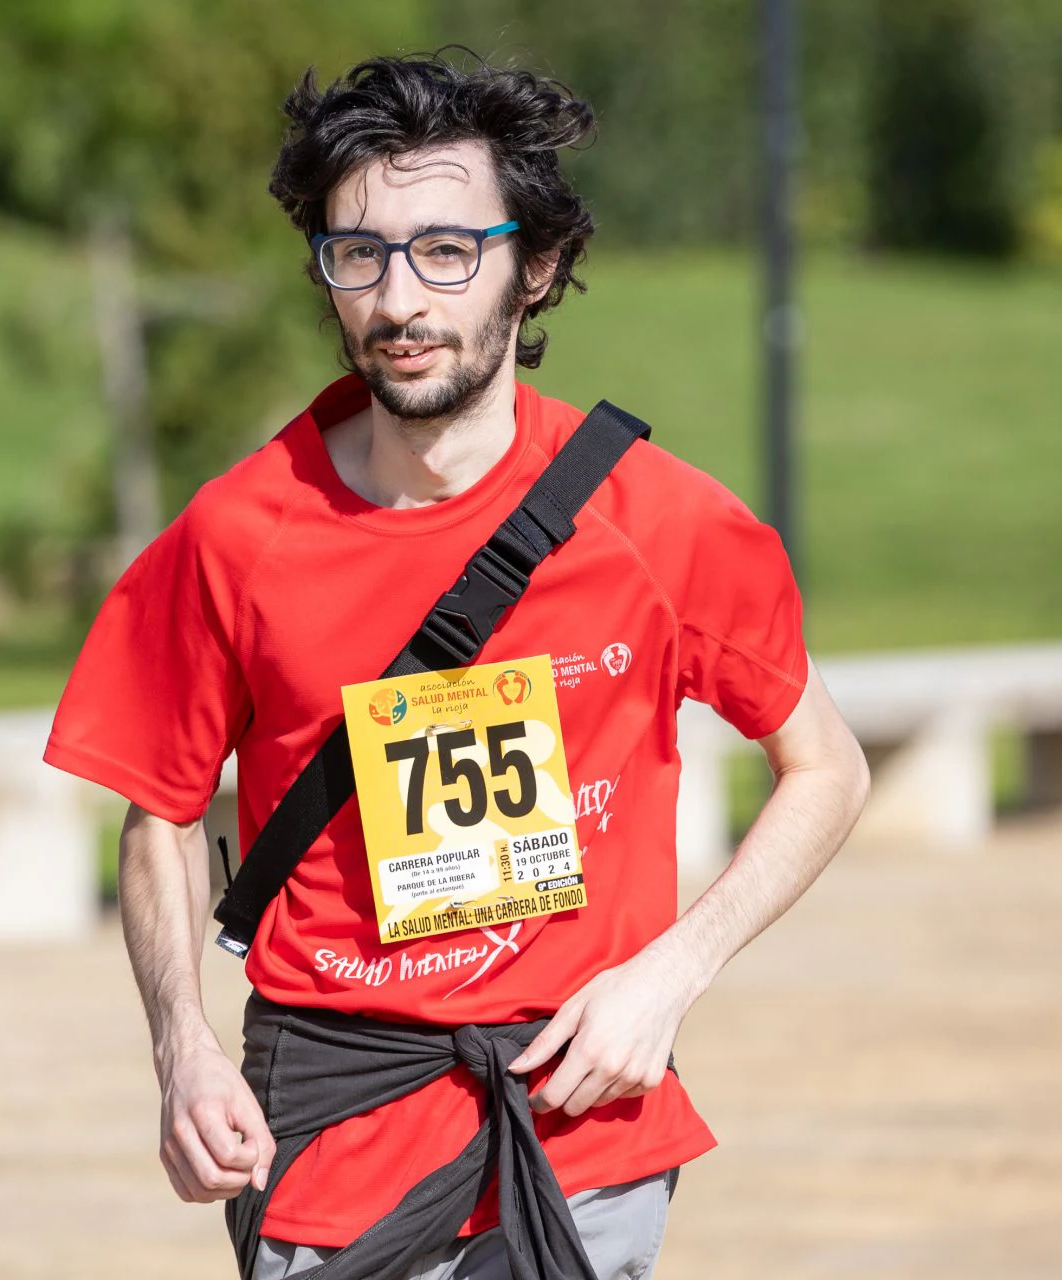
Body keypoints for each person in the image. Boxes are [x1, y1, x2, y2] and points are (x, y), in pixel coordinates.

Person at [43, 51, 869, 1280]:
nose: (399, 298)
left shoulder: (659, 521)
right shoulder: (237, 533)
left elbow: (828, 767)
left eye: (446, 250)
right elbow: (157, 814)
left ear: (532, 268)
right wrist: (182, 1046)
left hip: (581, 1130)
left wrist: (668, 976)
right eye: (358, 252)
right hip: (331, 1140)